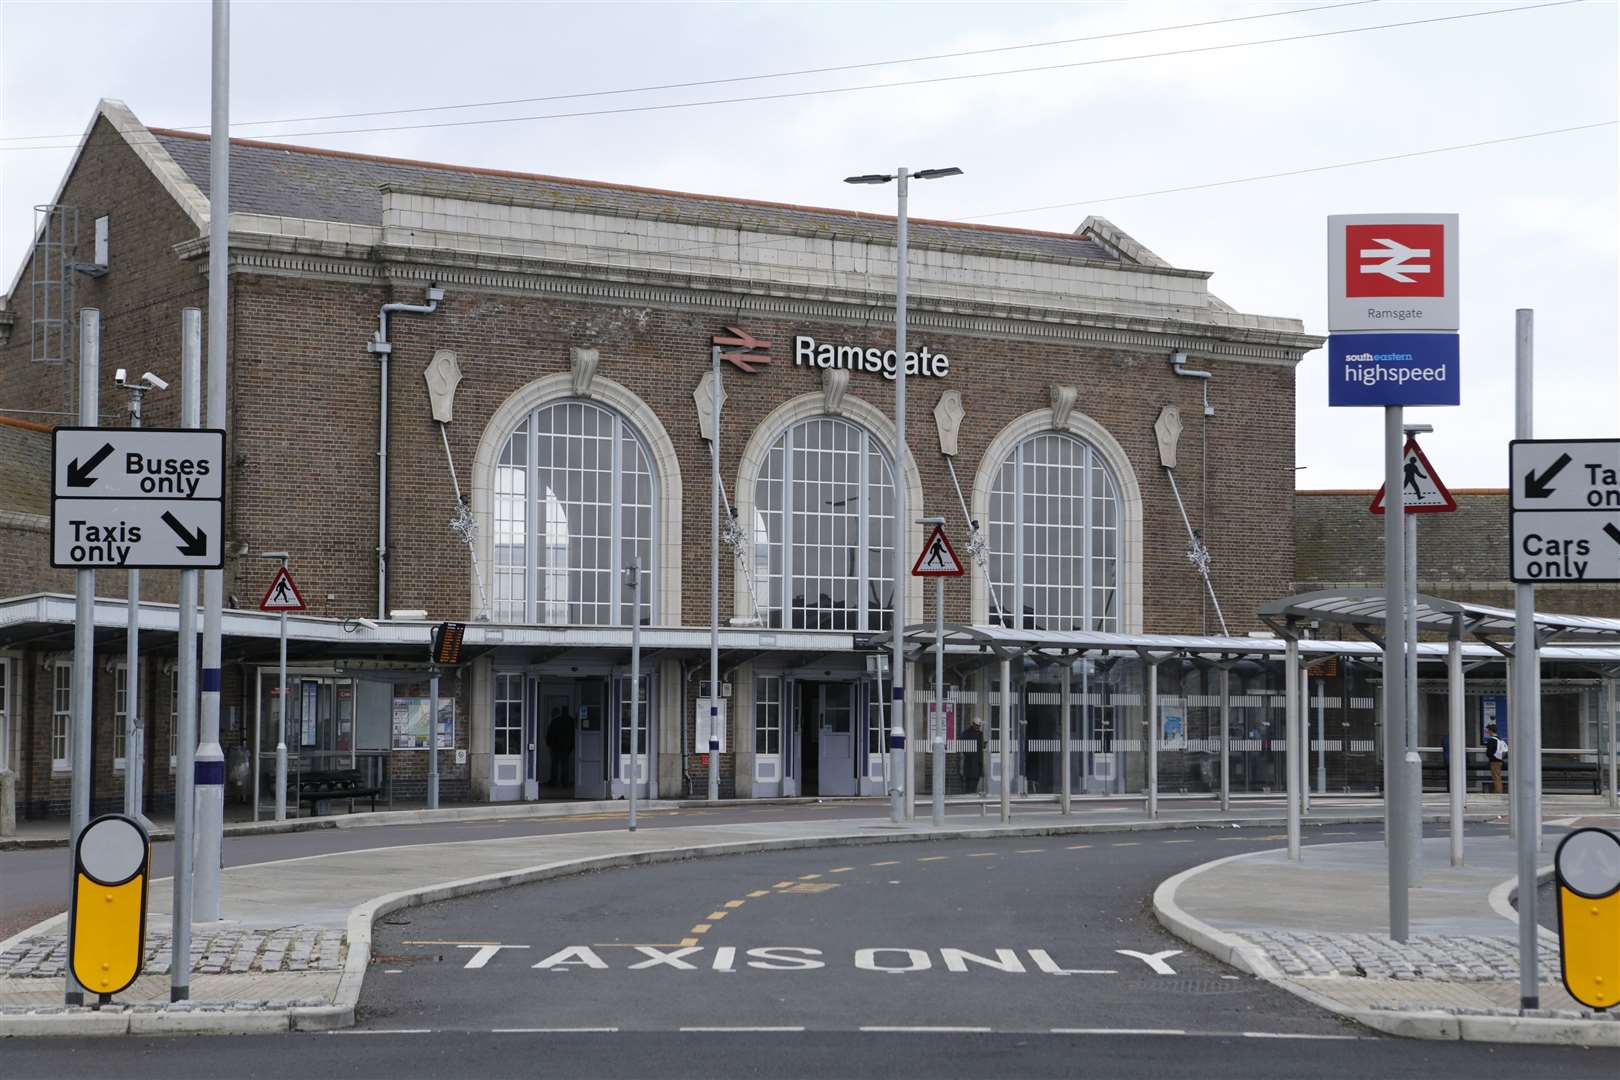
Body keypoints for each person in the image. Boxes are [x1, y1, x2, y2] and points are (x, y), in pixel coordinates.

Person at [545, 707, 573, 788]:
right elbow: (573, 735)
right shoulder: (570, 721)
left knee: (554, 765)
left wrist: (549, 744)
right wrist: (572, 746)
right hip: (566, 747)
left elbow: (549, 734)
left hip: (555, 747)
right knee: (565, 765)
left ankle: (554, 781)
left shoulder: (555, 721)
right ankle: (565, 782)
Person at [962, 718, 985, 796]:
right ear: (973, 724)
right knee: (970, 779)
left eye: (979, 726)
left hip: (978, 760)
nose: (978, 727)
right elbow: (963, 746)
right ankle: (969, 793)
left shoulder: (980, 734)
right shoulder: (967, 733)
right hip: (970, 760)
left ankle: (972, 793)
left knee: (976, 778)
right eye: (977, 725)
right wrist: (969, 754)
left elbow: (980, 746)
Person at [1483, 722, 1508, 794]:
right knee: (1498, 776)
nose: (1487, 732)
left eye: (1487, 731)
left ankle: (1498, 792)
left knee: (1496, 778)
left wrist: (1490, 756)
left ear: (1491, 731)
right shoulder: (1500, 739)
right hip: (1500, 760)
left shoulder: (1491, 740)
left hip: (1494, 761)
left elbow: (1489, 752)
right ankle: (1498, 791)